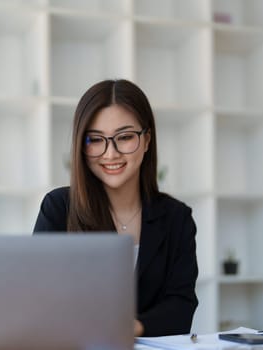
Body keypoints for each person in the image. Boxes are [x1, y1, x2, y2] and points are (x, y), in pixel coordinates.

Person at [33, 79, 198, 337]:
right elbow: (40, 299)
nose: (110, 154)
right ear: (81, 145)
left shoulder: (177, 218)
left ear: (147, 140)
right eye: (96, 140)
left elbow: (181, 306)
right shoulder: (59, 208)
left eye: (125, 137)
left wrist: (133, 327)